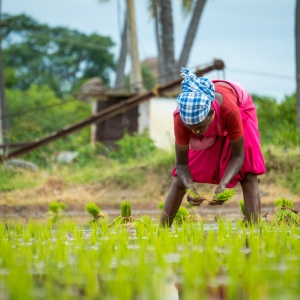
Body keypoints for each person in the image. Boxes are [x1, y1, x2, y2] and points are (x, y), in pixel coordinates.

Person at [160, 67, 266, 227]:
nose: (195, 131)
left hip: (239, 107)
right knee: (179, 180)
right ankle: (161, 230)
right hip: (215, 116)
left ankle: (254, 229)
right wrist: (190, 186)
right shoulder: (181, 118)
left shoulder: (230, 110)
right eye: (190, 127)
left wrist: (223, 184)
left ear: (211, 114)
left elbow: (238, 155)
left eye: (199, 127)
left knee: (249, 174)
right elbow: (181, 165)